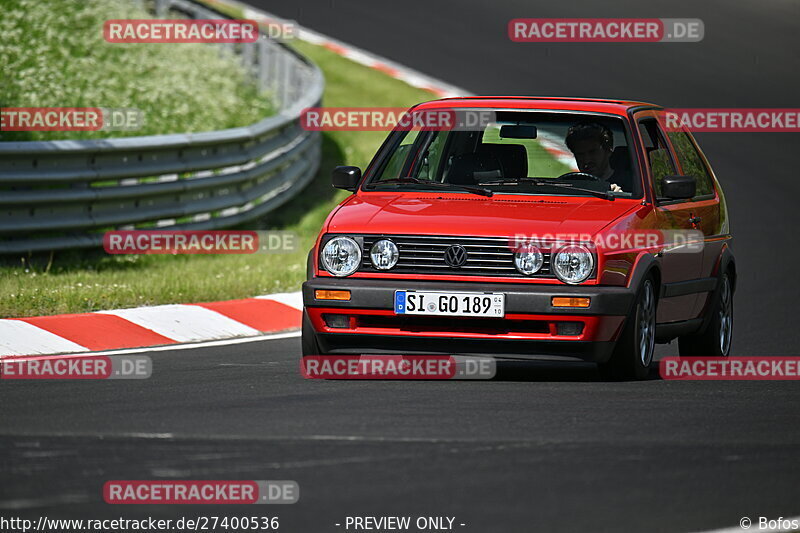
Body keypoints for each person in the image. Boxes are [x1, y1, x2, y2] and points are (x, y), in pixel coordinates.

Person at [564, 122, 625, 192]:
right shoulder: (571, 185)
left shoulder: (631, 185)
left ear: (608, 150)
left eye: (592, 152)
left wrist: (620, 196)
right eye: (580, 154)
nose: (587, 160)